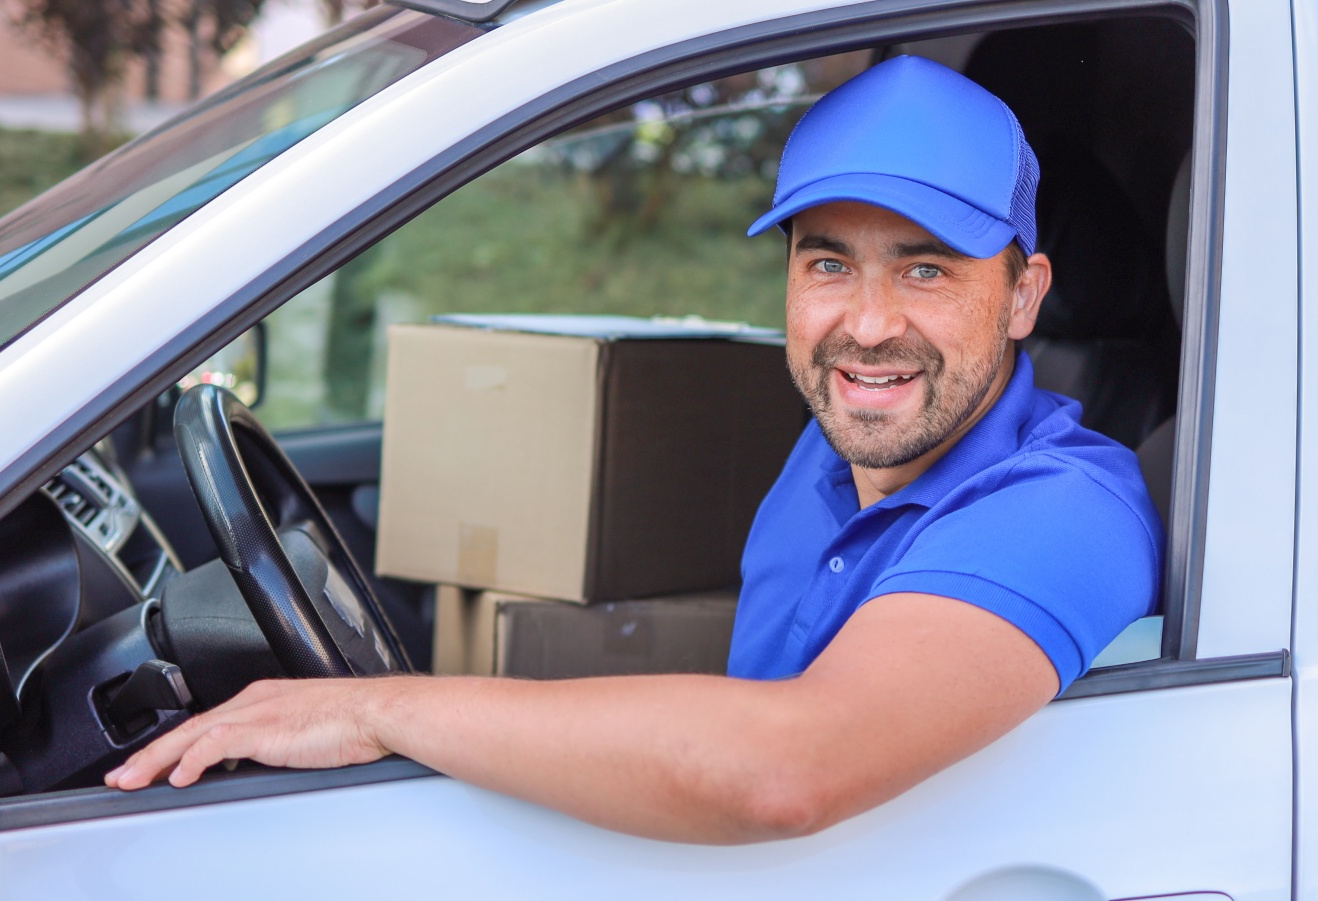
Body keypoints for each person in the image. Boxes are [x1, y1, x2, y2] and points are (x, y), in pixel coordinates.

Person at [106, 55, 1161, 844]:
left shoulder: (1065, 507)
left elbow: (786, 765)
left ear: (1022, 294)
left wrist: (378, 706)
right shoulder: (836, 444)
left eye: (926, 271)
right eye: (829, 264)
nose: (869, 324)